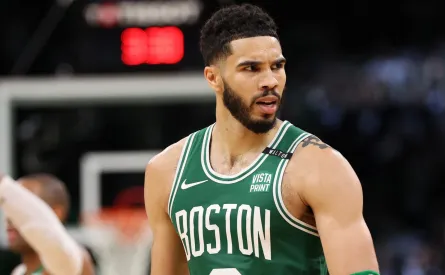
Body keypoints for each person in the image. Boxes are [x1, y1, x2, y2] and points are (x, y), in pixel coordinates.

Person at [144, 4, 379, 275]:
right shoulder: (167, 171)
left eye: (277, 66)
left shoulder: (320, 166)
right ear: (214, 78)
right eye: (251, 69)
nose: (270, 80)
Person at [0, 173, 95, 275]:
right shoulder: (18, 272)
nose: (10, 217)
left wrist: (4, 186)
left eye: (22, 207)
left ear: (55, 213)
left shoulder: (73, 261)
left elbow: (44, 231)